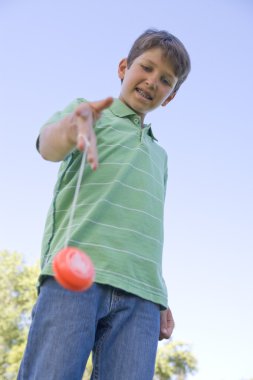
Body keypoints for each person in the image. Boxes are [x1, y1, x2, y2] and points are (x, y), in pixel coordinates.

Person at [18, 28, 191, 380]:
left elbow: (147, 228)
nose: (151, 81)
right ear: (123, 67)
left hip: (141, 298)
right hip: (75, 278)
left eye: (165, 80)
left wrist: (159, 292)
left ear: (169, 97)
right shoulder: (88, 115)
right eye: (145, 68)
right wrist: (70, 130)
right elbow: (47, 146)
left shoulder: (160, 156)